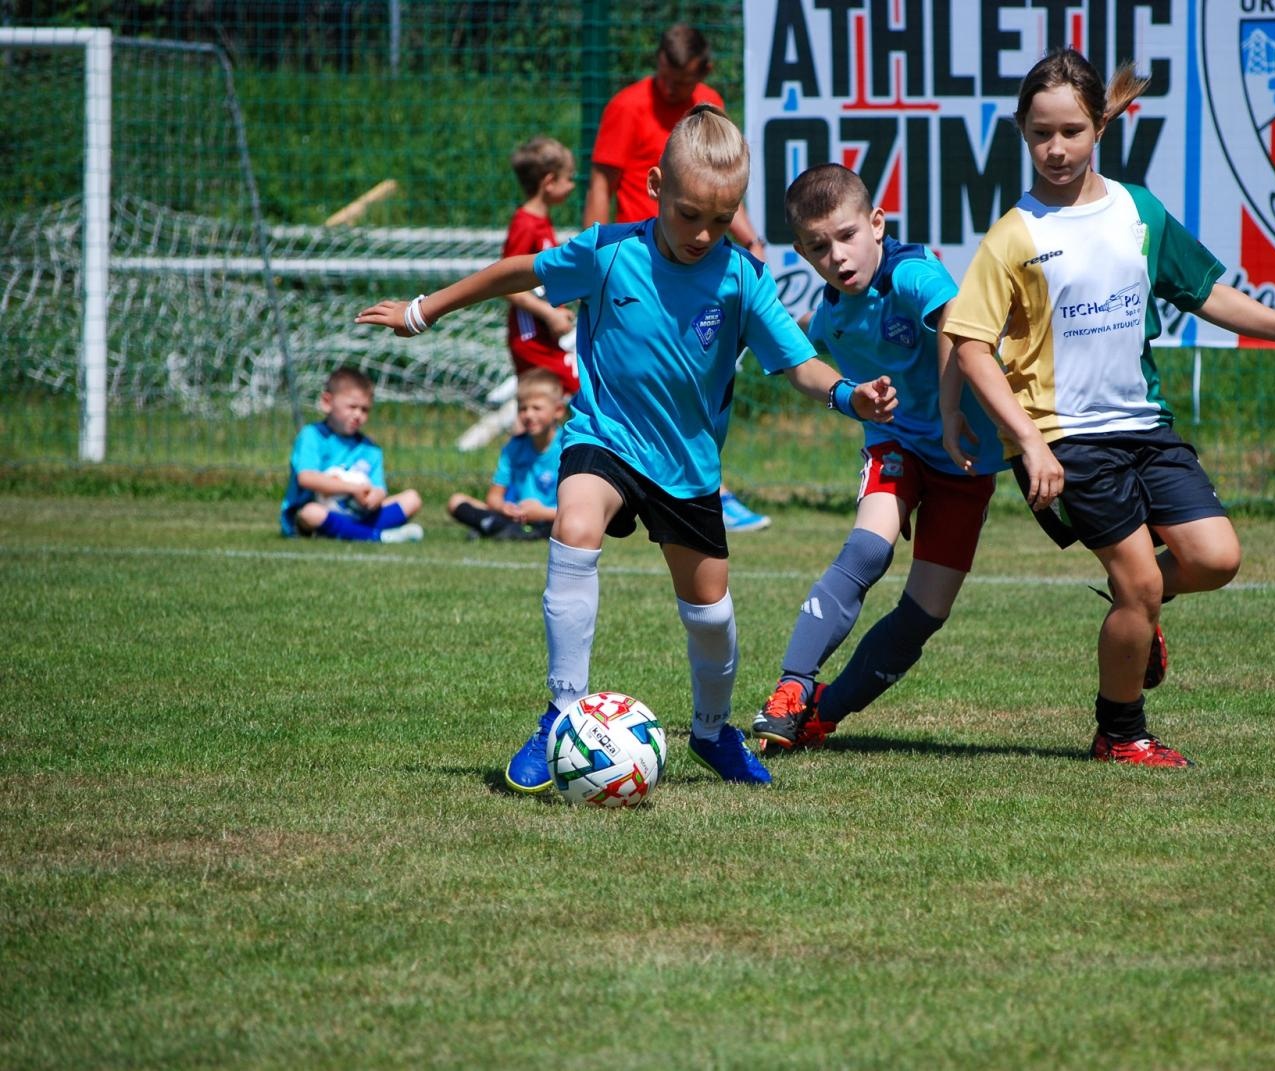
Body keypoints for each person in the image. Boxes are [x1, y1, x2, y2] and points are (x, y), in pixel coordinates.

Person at [356, 104, 897, 789]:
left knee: (711, 616)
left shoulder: (742, 278)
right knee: (575, 526)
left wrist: (850, 395)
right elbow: (516, 271)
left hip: (688, 465)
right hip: (604, 434)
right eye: (689, 213)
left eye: (720, 216)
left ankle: (711, 731)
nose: (703, 232)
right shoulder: (610, 250)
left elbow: (799, 366)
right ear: (654, 189)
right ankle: (560, 712)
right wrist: (421, 310)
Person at [942, 48, 1275, 768]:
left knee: (1216, 557)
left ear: (1100, 126)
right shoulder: (1014, 234)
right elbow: (971, 342)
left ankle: (1137, 618)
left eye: (1072, 131)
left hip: (1144, 426)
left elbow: (1209, 294)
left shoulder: (1139, 211)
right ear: (1021, 131)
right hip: (1064, 437)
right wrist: (1028, 440)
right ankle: (1120, 731)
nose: (1056, 147)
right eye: (1041, 132)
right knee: (1140, 581)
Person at [750, 164, 1006, 752]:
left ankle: (821, 715)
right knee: (868, 547)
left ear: (876, 224)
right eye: (818, 247)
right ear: (803, 252)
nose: (837, 256)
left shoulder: (912, 274)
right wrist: (858, 400)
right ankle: (790, 690)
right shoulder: (832, 316)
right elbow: (806, 370)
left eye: (846, 236)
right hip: (897, 445)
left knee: (924, 615)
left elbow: (958, 326)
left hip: (965, 455)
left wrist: (950, 413)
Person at [585, 22, 772, 533]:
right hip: (639, 267)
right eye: (664, 78)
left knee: (700, 375)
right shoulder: (626, 106)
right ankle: (628, 481)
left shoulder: (709, 102)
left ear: (704, 72)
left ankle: (706, 484)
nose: (669, 90)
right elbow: (602, 182)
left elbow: (716, 190)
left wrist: (750, 239)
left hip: (696, 267)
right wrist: (591, 260)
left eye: (680, 82)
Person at [279, 366, 424, 542]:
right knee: (312, 513)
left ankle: (351, 531)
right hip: (315, 514)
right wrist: (352, 488)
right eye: (352, 407)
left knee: (412, 499)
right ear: (327, 402)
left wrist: (374, 498)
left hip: (357, 513)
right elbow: (306, 478)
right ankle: (377, 536)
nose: (358, 415)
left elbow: (379, 488)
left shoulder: (371, 449)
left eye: (364, 410)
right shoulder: (312, 436)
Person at [447, 368, 566, 541]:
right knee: (456, 501)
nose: (529, 415)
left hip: (553, 516)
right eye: (523, 408)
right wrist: (505, 508)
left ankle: (493, 527)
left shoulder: (568, 447)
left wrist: (541, 513)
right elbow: (494, 497)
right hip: (516, 516)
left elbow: (582, 506)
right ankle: (510, 529)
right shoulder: (513, 447)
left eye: (537, 408)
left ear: (558, 410)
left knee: (574, 521)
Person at [504, 136, 580, 397]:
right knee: (577, 390)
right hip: (530, 339)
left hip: (543, 337)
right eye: (569, 177)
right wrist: (549, 314)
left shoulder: (541, 222)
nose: (572, 186)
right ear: (549, 182)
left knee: (540, 408)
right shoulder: (525, 224)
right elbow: (509, 286)